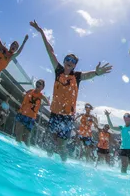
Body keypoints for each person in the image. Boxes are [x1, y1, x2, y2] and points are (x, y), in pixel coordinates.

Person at [30, 20, 112, 161]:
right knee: (50, 142)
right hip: (55, 114)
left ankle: (63, 165)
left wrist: (97, 72)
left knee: (62, 145)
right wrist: (41, 32)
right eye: (68, 59)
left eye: (73, 61)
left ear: (74, 65)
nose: (70, 61)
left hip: (67, 117)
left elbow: (89, 74)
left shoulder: (77, 76)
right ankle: (48, 166)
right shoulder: (58, 71)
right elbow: (50, 51)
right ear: (64, 61)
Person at [0, 30, 28, 118]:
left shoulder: (10, 57)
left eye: (16, 46)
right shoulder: (3, 50)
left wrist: (24, 42)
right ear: (11, 45)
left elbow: (19, 53)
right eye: (13, 44)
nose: (14, 46)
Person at [15, 80, 50, 146]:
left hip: (30, 117)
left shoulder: (41, 96)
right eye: (37, 82)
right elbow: (24, 93)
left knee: (27, 138)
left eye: (40, 83)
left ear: (42, 87)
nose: (38, 84)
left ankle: (26, 152)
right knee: (18, 134)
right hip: (21, 113)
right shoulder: (30, 90)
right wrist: (24, 93)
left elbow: (48, 103)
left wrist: (42, 103)